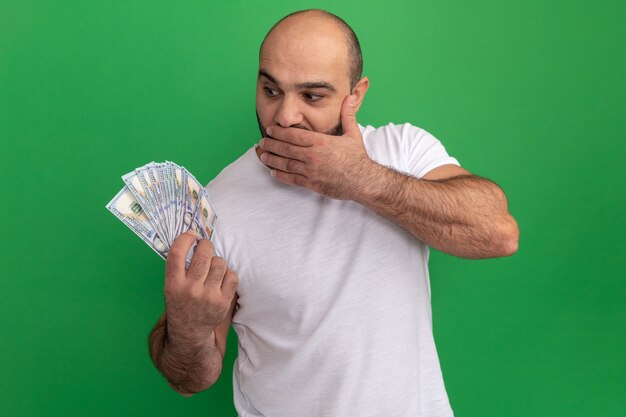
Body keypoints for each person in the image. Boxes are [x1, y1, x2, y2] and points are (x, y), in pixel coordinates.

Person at [148, 9, 519, 417]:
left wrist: (363, 180)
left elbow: (499, 233)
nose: (285, 116)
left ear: (354, 95)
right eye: (271, 90)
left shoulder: (402, 150)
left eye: (312, 96)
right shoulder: (216, 205)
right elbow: (189, 380)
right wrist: (188, 327)